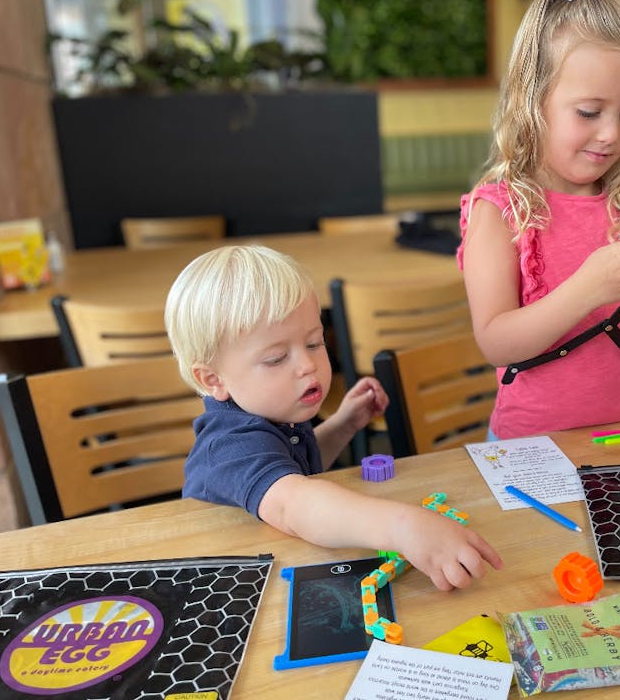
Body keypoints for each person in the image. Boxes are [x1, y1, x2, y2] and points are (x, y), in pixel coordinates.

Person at [164, 245, 503, 590]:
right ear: (214, 380)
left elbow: (292, 469)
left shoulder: (271, 409)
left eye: (314, 343)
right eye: (277, 358)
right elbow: (294, 503)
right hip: (226, 588)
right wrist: (404, 527)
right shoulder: (230, 443)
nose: (307, 365)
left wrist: (343, 425)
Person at [457, 0, 620, 440]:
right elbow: (496, 342)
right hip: (534, 446)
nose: (611, 134)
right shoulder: (501, 212)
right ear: (533, 98)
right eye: (589, 111)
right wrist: (589, 287)